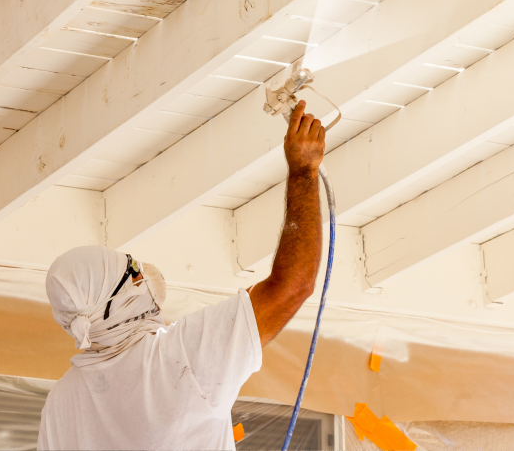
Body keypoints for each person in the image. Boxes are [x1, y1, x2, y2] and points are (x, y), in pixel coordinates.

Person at [37, 101, 326, 450]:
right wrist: (303, 171)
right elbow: (292, 287)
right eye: (131, 271)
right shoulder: (177, 359)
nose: (142, 275)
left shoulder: (62, 404)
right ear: (115, 303)